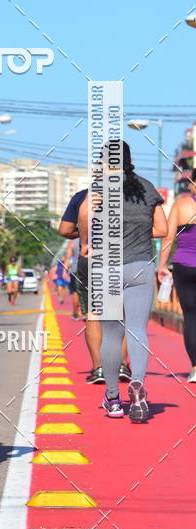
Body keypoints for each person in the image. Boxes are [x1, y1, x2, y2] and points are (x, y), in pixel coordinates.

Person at [79, 141, 167, 421]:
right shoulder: (147, 187)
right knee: (137, 330)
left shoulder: (98, 187)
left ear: (105, 161)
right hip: (140, 267)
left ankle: (113, 399)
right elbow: (162, 229)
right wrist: (138, 232)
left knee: (112, 335)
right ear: (130, 159)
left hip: (107, 269)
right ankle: (138, 382)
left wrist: (86, 242)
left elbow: (85, 215)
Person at [59, 188, 131, 384]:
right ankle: (122, 365)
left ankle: (99, 368)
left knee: (93, 314)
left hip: (91, 256)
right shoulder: (134, 193)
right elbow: (159, 229)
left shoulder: (83, 196)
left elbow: (65, 230)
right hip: (124, 257)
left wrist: (84, 235)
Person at [158, 168, 196, 383]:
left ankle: (195, 368)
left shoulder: (182, 205)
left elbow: (168, 237)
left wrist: (162, 265)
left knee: (191, 317)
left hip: (185, 265)